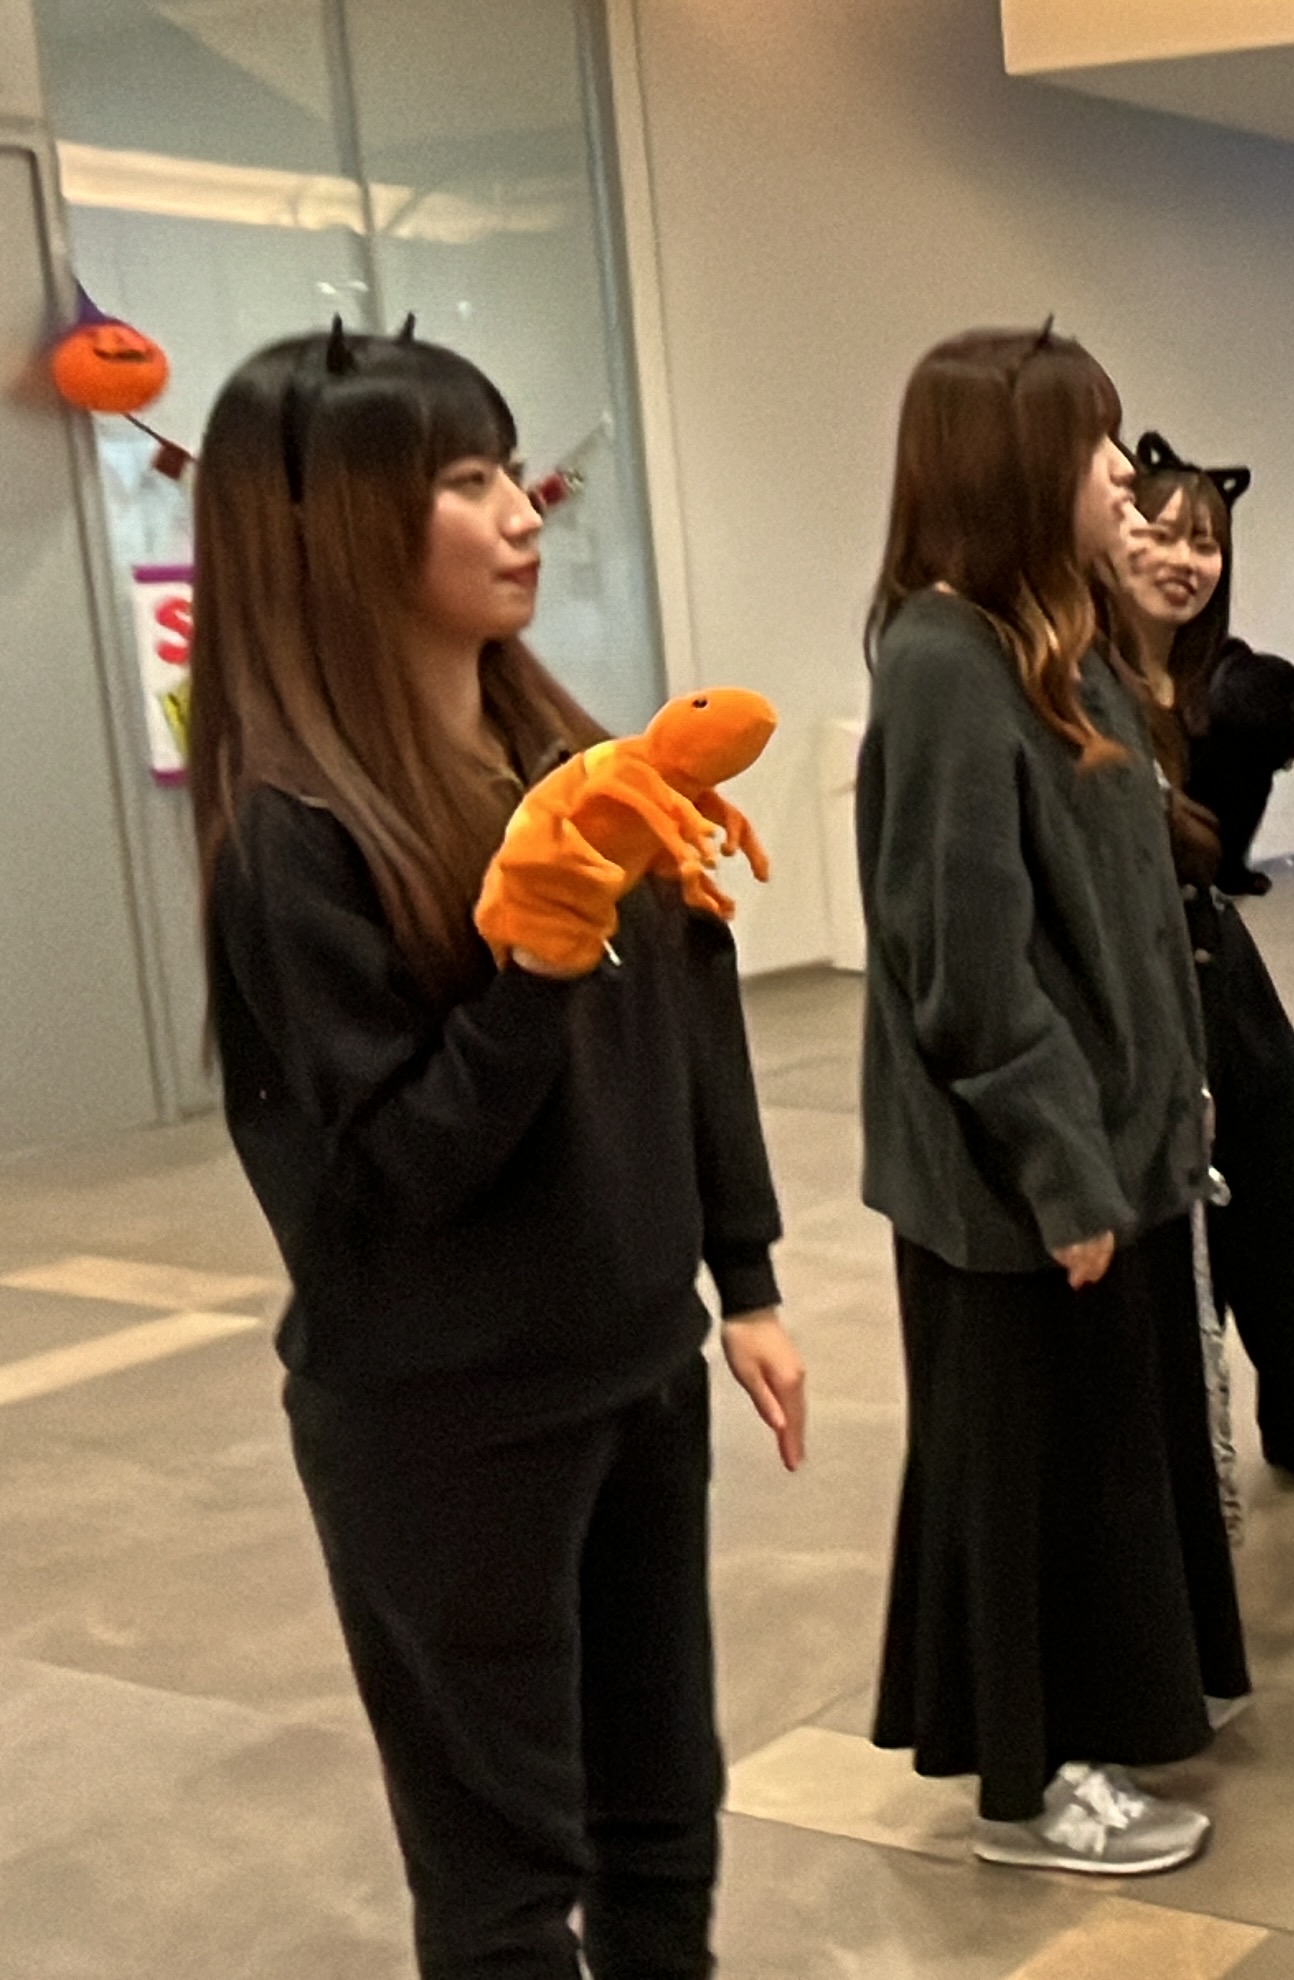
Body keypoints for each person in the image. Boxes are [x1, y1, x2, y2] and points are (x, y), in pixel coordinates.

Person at [191, 321, 808, 1977]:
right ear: (336, 528)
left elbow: (694, 1022)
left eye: (508, 468)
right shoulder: (295, 839)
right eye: (464, 482)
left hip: (636, 1367)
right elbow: (387, 1180)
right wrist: (531, 969)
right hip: (447, 1418)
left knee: (665, 1809)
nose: (521, 512)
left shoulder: (571, 761)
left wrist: (745, 1277)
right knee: (506, 1882)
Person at [860, 325, 1242, 1876]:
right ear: (1017, 466)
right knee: (1030, 1480)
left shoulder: (1058, 643)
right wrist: (1063, 1169)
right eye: (1096, 447)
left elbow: (1126, 913)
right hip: (1017, 1185)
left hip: (1108, 1149)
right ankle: (1034, 1785)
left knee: (1099, 1461)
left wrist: (1166, 1108)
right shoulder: (946, 664)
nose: (1122, 477)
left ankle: (1102, 1730)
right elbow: (967, 966)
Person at [1112, 433, 1294, 1481]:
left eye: (1206, 543)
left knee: (1288, 1169)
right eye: (1161, 534)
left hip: (1212, 948)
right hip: (1133, 965)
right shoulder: (1084, 682)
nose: (1184, 560)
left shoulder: (1214, 681)